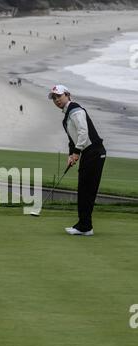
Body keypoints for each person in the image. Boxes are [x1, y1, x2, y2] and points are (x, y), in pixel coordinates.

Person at [48, 84, 106, 236]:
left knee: (87, 190)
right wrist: (71, 154)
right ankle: (84, 225)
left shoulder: (75, 110)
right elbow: (73, 139)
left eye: (59, 96)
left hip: (94, 152)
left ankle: (85, 227)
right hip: (89, 153)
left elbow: (83, 132)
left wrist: (76, 152)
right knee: (84, 189)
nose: (56, 100)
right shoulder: (67, 116)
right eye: (54, 98)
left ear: (67, 94)